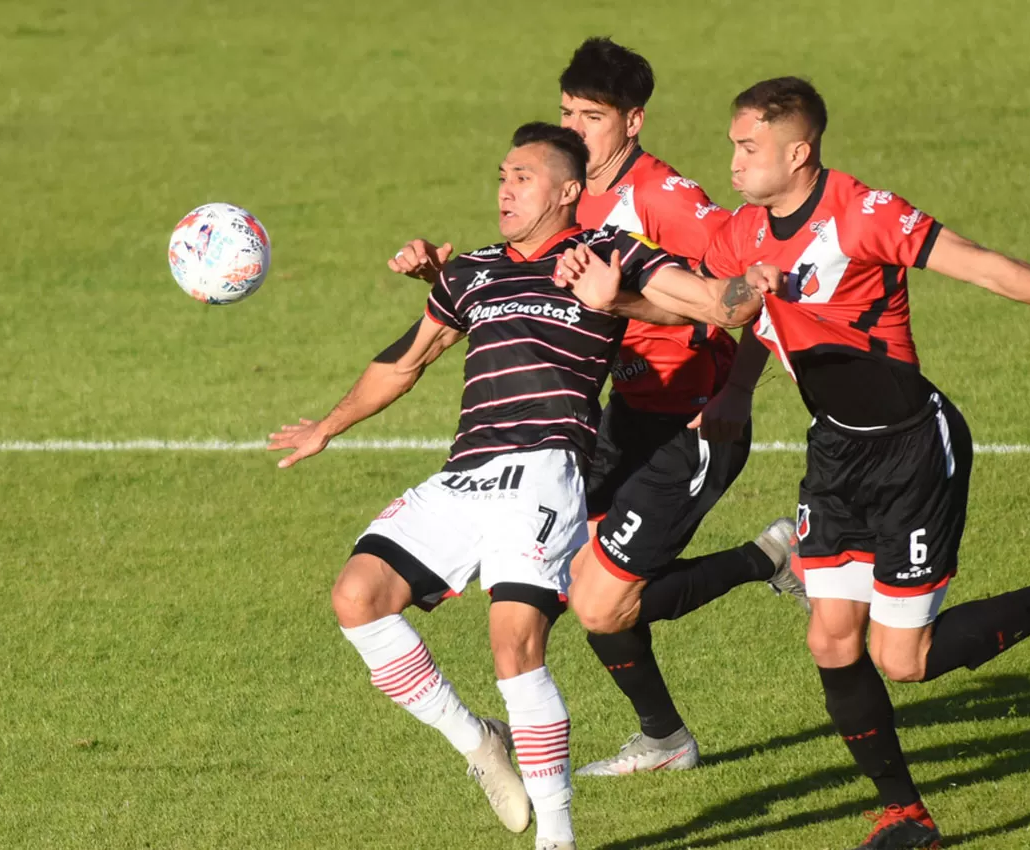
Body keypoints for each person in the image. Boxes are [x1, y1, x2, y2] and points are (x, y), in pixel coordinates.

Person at [554, 76, 1030, 850]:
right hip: (837, 452)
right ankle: (905, 816)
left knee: (904, 659)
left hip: (914, 451)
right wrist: (625, 306)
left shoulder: (863, 214)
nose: (734, 160)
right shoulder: (744, 232)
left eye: (747, 147)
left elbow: (985, 266)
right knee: (831, 641)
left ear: (798, 152)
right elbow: (711, 303)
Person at [270, 122, 761, 850]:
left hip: (544, 473)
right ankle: (477, 742)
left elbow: (725, 305)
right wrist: (328, 426)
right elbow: (408, 359)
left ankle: (556, 838)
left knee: (514, 645)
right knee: (357, 597)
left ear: (569, 192)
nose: (505, 188)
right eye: (501, 174)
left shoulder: (609, 254)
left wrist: (629, 297)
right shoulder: (473, 271)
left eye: (523, 177)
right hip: (467, 473)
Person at [387, 36, 805, 778]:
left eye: (592, 116)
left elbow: (753, 286)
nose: (573, 128)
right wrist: (440, 275)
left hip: (693, 418)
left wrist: (737, 391)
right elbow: (517, 285)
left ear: (633, 121)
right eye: (565, 111)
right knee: (576, 579)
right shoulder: (570, 192)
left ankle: (769, 558)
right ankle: (667, 737)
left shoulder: (668, 202)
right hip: (620, 417)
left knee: (598, 600)